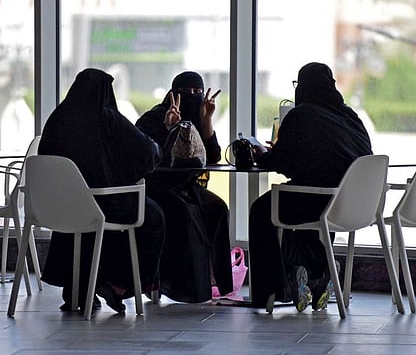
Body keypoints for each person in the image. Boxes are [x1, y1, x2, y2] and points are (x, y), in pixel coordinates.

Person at [38, 68, 165, 314]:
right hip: (101, 205)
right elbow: (146, 151)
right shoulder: (106, 117)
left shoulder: (57, 118)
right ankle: (118, 285)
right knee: (153, 217)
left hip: (59, 208)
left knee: (85, 227)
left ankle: (80, 289)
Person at [249, 62, 373, 312]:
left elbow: (283, 163)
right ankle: (316, 273)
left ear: (303, 87)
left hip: (317, 202)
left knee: (263, 209)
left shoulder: (301, 114)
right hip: (354, 206)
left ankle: (273, 289)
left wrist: (261, 154)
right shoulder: (351, 117)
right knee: (297, 200)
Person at [135, 71, 233, 303]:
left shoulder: (198, 118)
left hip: (187, 187)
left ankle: (215, 281)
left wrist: (207, 120)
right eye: (186, 93)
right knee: (187, 216)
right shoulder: (153, 118)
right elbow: (147, 155)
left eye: (197, 93)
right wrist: (170, 127)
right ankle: (183, 287)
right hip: (157, 187)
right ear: (172, 94)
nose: (192, 97)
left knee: (218, 208)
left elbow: (213, 156)